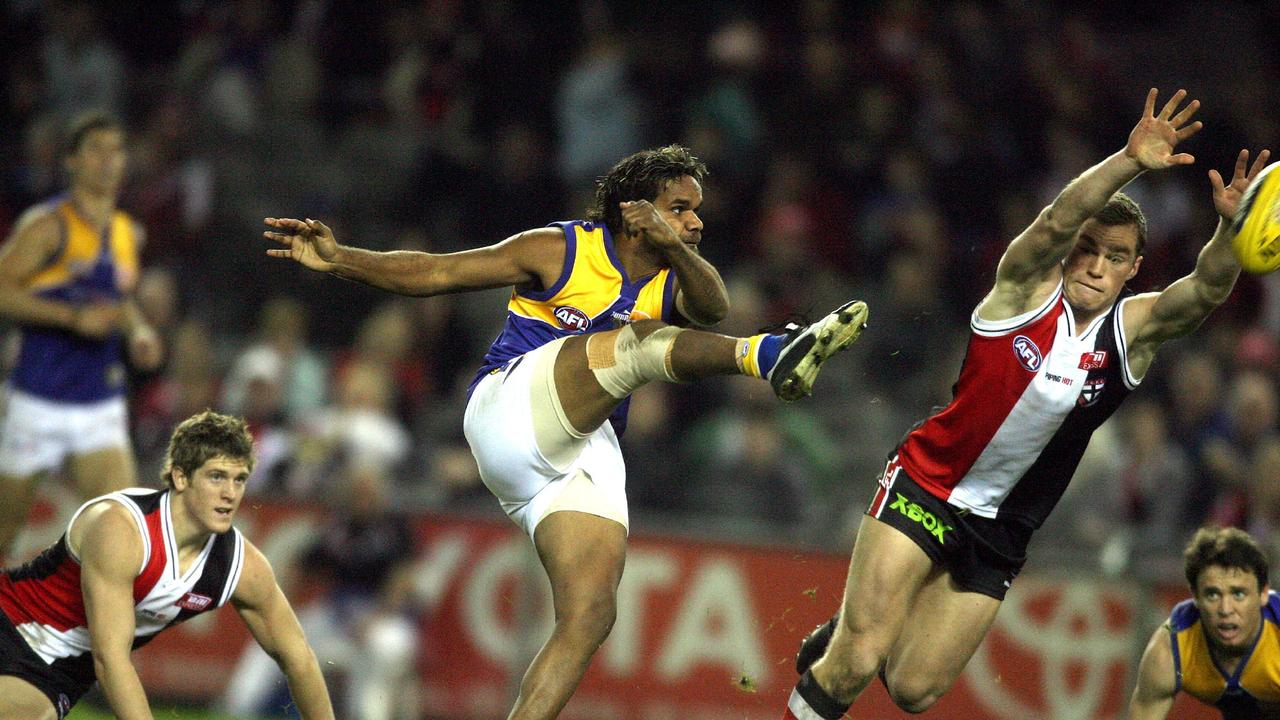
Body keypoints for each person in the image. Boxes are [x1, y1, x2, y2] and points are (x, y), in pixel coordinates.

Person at [263, 144, 868, 720]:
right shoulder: (559, 248)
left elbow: (713, 307)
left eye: (697, 210)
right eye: (681, 208)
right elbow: (438, 272)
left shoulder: (672, 278)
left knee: (591, 615)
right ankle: (769, 356)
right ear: (635, 210)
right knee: (637, 341)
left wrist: (673, 246)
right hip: (505, 413)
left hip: (581, 444)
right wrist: (341, 258)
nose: (696, 222)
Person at [782, 88, 1270, 719]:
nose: (1095, 266)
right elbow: (1055, 223)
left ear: (1133, 269)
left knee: (913, 690)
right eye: (1088, 251)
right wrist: (1127, 161)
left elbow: (1204, 290)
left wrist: (1231, 232)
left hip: (1003, 531)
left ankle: (856, 625)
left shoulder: (1131, 334)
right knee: (853, 663)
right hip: (928, 484)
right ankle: (854, 638)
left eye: (1114, 258)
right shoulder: (1020, 292)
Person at [0, 410, 334, 720]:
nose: (230, 493)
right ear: (180, 477)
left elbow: (299, 659)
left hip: (56, 672)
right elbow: (111, 660)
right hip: (10, 623)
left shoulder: (243, 567)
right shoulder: (122, 529)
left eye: (239, 479)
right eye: (217, 477)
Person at [0, 111, 163, 562]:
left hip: (98, 401)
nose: (109, 161)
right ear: (72, 160)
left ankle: (94, 631)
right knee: (5, 532)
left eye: (117, 151)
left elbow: (118, 297)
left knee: (120, 528)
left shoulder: (129, 233)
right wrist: (71, 319)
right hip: (39, 399)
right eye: (96, 150)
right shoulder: (49, 225)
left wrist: (139, 329)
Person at [1128, 526, 1280, 719]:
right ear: (1195, 597)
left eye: (1239, 594)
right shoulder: (1171, 648)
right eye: (1212, 594)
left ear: (1263, 594)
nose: (1225, 609)